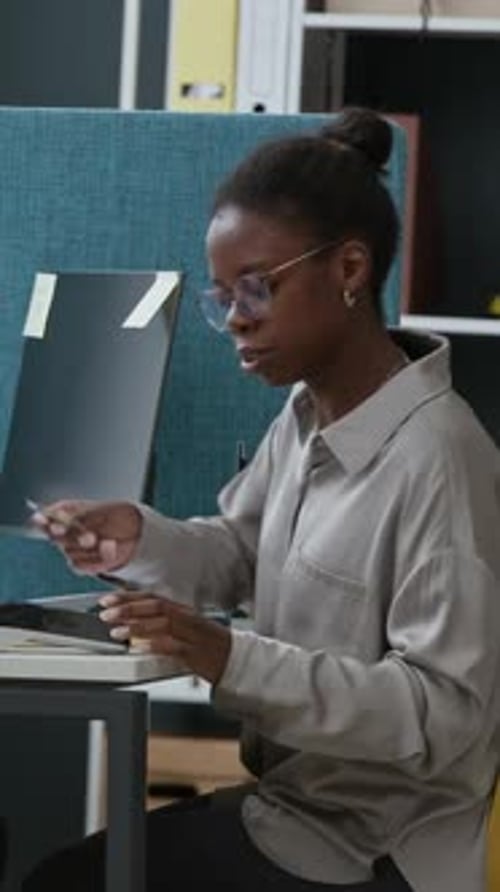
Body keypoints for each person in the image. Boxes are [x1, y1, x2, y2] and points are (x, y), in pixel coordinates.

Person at [23, 108, 500, 892]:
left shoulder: (437, 459)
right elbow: (241, 554)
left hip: (374, 855)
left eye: (256, 288)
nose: (236, 320)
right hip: (291, 815)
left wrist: (226, 656)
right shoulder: (309, 418)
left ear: (349, 269)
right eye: (222, 298)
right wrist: (135, 540)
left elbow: (439, 714)